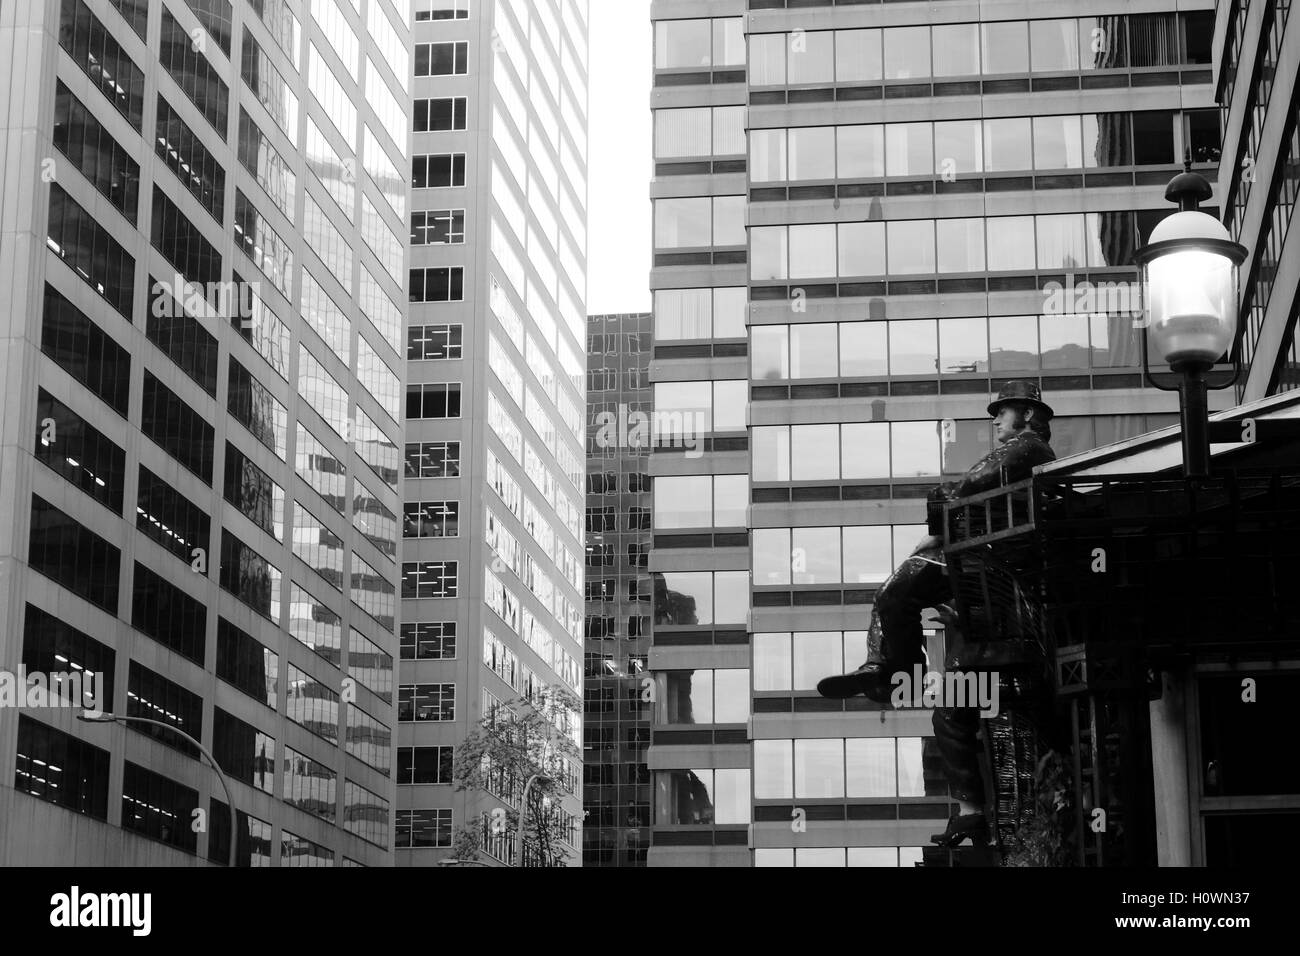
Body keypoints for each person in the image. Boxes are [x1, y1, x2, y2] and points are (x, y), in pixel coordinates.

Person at [817, 381, 1056, 847]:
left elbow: (972, 483)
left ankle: (890, 671)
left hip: (983, 555)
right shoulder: (1020, 452)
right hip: (974, 560)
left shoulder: (1028, 447)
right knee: (947, 706)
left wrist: (937, 521)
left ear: (1026, 414)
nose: (995, 420)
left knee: (895, 593)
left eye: (1002, 412)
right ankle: (969, 808)